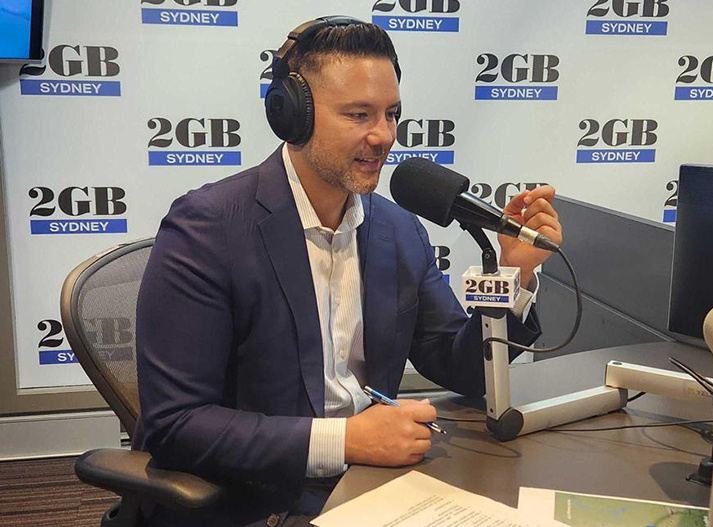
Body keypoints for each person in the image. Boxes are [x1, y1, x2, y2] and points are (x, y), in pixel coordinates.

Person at [135, 17, 563, 527]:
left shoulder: (398, 230)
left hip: (372, 486)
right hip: (255, 501)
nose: (383, 136)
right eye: (359, 115)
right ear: (292, 115)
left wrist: (515, 275)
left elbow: (463, 370)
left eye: (391, 114)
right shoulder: (207, 229)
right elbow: (176, 424)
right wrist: (346, 440)